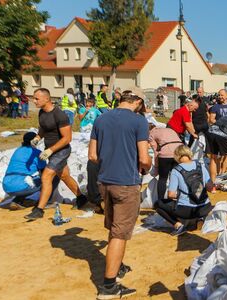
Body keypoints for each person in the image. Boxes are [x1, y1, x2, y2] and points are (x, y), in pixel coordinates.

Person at [88, 90, 150, 298]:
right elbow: (143, 159)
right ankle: (108, 286)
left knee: (114, 227)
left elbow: (93, 155)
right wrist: (147, 165)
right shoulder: (139, 121)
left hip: (104, 181)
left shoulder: (101, 118)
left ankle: (117, 265)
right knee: (120, 234)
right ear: (138, 102)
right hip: (126, 183)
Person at [24, 88, 87, 220]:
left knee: (46, 176)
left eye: (36, 98)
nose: (34, 101)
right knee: (64, 176)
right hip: (51, 150)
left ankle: (39, 210)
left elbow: (67, 138)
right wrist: (37, 138)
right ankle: (81, 198)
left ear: (47, 99)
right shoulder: (42, 113)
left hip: (61, 151)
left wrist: (50, 150)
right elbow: (43, 128)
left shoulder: (60, 115)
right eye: (34, 98)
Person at [155, 145, 213, 236]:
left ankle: (178, 225)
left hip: (186, 210)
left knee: (158, 204)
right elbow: (210, 188)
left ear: (177, 156)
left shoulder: (176, 170)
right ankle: (199, 218)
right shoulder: (200, 165)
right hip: (205, 207)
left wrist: (180, 196)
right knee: (194, 204)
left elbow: (171, 194)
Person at [2, 132, 55, 210]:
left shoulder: (18, 150)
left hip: (6, 185)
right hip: (21, 185)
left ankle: (16, 201)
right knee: (47, 179)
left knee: (25, 179)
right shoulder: (37, 153)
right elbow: (44, 172)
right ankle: (45, 202)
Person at [149, 124, 183, 200]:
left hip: (166, 154)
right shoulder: (170, 130)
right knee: (178, 177)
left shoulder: (151, 134)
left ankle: (161, 201)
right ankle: (180, 198)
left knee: (163, 178)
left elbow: (156, 151)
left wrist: (156, 166)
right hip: (180, 152)